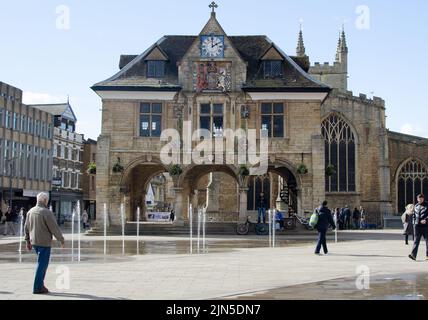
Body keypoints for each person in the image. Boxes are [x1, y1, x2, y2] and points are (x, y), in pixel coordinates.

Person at [25, 192, 65, 294]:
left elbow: (26, 227)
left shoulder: (30, 211)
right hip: (44, 243)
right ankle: (37, 287)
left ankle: (40, 285)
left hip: (34, 242)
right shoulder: (46, 212)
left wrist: (27, 241)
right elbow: (54, 228)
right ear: (45, 200)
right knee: (42, 264)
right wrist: (61, 239)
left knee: (41, 263)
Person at [409, 194, 428, 261]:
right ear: (417, 199)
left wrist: (426, 220)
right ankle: (413, 255)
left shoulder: (427, 205)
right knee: (416, 241)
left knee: (427, 241)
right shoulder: (416, 206)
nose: (420, 200)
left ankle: (427, 256)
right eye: (419, 199)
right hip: (417, 226)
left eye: (421, 198)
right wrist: (414, 223)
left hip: (426, 226)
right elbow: (414, 215)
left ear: (423, 198)